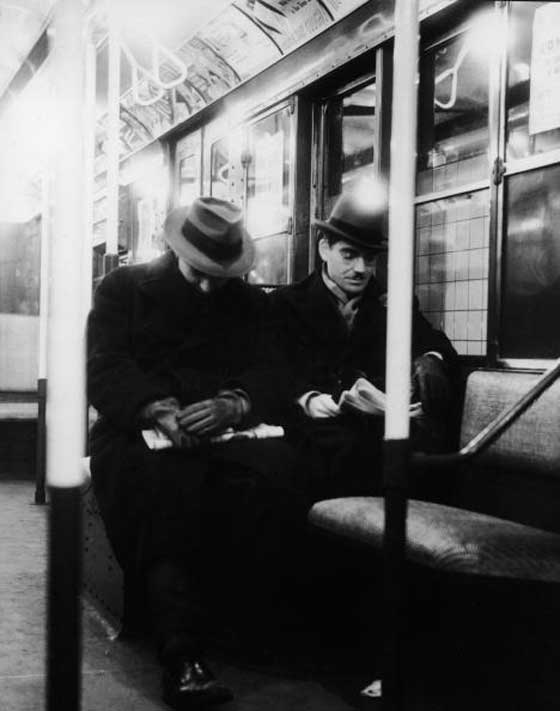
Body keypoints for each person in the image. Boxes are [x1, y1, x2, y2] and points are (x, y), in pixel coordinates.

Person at [87, 197, 305, 709]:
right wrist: (156, 409)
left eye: (220, 276)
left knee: (276, 481)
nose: (210, 286)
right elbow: (104, 368)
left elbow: (274, 371)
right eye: (200, 273)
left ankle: (252, 630)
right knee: (166, 494)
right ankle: (181, 654)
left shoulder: (250, 305)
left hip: (226, 434)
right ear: (174, 250)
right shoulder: (123, 290)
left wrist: (235, 403)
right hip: (136, 433)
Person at [270, 179, 459, 501]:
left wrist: (429, 359)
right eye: (349, 255)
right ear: (323, 248)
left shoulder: (394, 304)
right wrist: (308, 399)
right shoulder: (285, 304)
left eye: (369, 259)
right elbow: (273, 370)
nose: (360, 269)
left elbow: (438, 347)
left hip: (375, 433)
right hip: (312, 430)